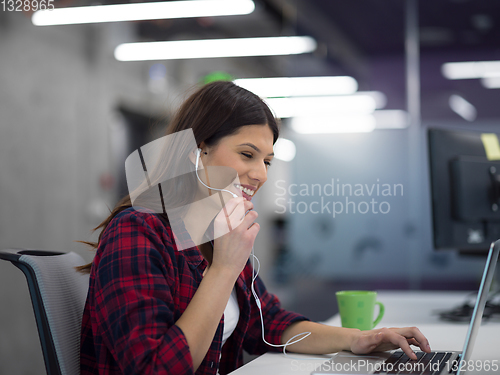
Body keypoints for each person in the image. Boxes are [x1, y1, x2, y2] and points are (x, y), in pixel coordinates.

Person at [78, 81, 431, 375]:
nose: (261, 174)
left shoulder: (218, 232)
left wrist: (357, 339)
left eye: (266, 161)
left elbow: (270, 325)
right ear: (198, 152)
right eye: (247, 155)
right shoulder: (138, 232)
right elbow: (153, 369)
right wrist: (225, 269)